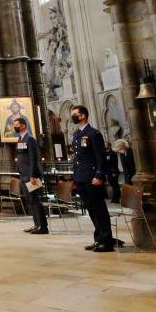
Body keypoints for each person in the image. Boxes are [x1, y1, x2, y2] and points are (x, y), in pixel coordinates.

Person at [71, 105, 114, 252]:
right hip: (81, 177)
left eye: (75, 114)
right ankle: (98, 238)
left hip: (92, 177)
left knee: (99, 209)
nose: (73, 117)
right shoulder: (76, 134)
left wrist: (99, 175)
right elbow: (77, 157)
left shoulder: (93, 133)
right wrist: (75, 176)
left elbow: (99, 156)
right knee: (91, 209)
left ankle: (107, 241)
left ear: (83, 115)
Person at [14, 118, 48, 234]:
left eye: (17, 125)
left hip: (31, 175)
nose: (15, 127)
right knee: (29, 200)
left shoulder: (30, 139)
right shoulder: (20, 139)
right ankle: (36, 224)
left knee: (35, 200)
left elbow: (34, 158)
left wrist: (33, 175)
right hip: (24, 174)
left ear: (23, 126)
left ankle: (43, 226)